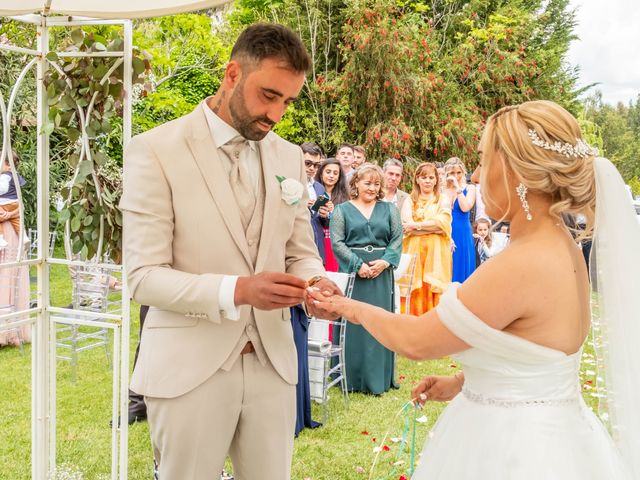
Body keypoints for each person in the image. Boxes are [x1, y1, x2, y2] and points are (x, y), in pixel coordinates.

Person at [310, 100, 640, 479]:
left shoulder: (523, 261)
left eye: (484, 160)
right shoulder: (561, 245)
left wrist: (346, 306)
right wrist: (462, 382)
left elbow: (418, 340)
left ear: (516, 170)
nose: (478, 176)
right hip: (561, 436)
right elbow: (534, 351)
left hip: (515, 449)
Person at [120, 23, 341, 480]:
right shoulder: (155, 150)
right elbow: (142, 276)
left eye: (288, 101)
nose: (277, 114)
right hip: (188, 368)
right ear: (233, 74)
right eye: (268, 95)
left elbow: (299, 251)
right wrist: (237, 290)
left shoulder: (287, 157)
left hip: (273, 364)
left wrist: (315, 282)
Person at [330, 164, 402, 394]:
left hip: (381, 274)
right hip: (354, 275)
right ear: (356, 183)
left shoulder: (390, 210)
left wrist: (386, 261)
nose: (372, 188)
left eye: (376, 184)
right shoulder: (342, 210)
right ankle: (351, 377)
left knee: (379, 323)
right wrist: (357, 264)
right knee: (353, 323)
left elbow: (397, 239)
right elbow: (337, 242)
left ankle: (378, 378)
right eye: (367, 183)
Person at [291, 141, 327, 435]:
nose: (310, 169)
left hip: (309, 255)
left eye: (315, 164)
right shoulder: (287, 185)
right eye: (307, 163)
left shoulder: (316, 190)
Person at [400, 163, 452, 315]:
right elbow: (405, 226)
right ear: (417, 179)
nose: (428, 181)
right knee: (414, 289)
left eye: (431, 177)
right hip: (414, 253)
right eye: (424, 177)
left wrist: (415, 226)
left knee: (433, 289)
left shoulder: (443, 199)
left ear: (436, 180)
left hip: (436, 255)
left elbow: (443, 224)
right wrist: (432, 227)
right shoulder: (410, 200)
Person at [0, 150, 29, 348]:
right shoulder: (16, 179)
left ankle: (6, 331)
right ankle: (12, 328)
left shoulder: (4, 178)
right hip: (13, 231)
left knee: (6, 275)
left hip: (6, 232)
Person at [443, 157, 476, 282]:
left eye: (458, 173)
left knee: (461, 264)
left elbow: (465, 207)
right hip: (445, 230)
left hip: (462, 232)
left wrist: (457, 188)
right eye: (452, 173)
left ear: (463, 173)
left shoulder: (470, 188)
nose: (455, 176)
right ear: (447, 173)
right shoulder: (441, 190)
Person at [316, 158, 349, 272]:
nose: (331, 176)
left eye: (335, 173)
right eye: (328, 172)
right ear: (321, 173)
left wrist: (334, 212)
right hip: (318, 240)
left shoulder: (344, 196)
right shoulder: (315, 191)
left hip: (335, 242)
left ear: (339, 176)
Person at [0, 150, 26, 235]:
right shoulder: (15, 176)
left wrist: (9, 214)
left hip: (8, 226)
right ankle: (24, 236)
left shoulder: (5, 177)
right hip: (12, 209)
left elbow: (21, 208)